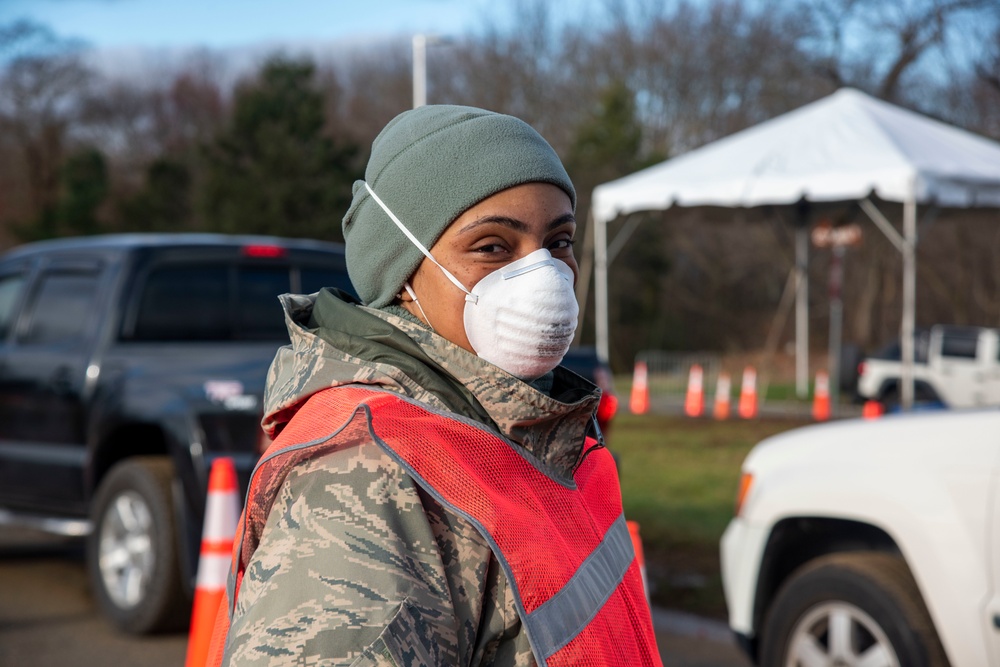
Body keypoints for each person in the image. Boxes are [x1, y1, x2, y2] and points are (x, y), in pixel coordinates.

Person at [211, 105, 661, 667]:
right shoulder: (362, 480)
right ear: (402, 275)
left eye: (559, 240)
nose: (542, 273)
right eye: (493, 246)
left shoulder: (539, 433)